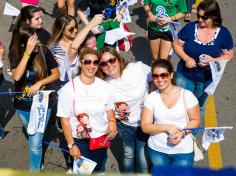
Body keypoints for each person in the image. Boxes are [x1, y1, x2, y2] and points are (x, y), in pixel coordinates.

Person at [57, 48, 117, 173]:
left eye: (95, 62)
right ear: (80, 63)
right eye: (87, 62)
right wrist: (71, 145)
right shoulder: (68, 90)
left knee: (100, 169)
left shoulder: (105, 86)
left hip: (101, 138)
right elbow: (65, 120)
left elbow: (109, 108)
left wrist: (112, 122)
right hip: (80, 141)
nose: (92, 66)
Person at [8, 26, 60, 171]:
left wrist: (40, 83)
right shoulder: (15, 54)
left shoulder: (43, 50)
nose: (36, 44)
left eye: (36, 39)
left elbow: (56, 74)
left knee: (35, 142)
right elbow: (17, 76)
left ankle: (34, 170)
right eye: (32, 41)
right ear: (23, 44)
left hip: (42, 103)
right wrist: (28, 52)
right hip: (21, 105)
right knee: (32, 133)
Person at [173, 0, 234, 118]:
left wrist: (212, 60)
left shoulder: (223, 33)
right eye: (198, 16)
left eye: (204, 17)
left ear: (214, 16)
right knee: (182, 106)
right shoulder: (190, 28)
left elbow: (229, 55)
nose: (200, 19)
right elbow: (176, 44)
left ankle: (193, 134)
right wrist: (186, 58)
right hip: (185, 77)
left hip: (207, 79)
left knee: (199, 107)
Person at [99, 46, 151, 173]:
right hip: (125, 125)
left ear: (119, 59)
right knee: (129, 154)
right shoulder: (104, 85)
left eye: (112, 60)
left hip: (145, 123)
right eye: (103, 64)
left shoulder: (137, 68)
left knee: (142, 158)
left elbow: (156, 79)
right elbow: (105, 108)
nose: (109, 65)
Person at [141, 59, 201, 168]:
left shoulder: (187, 95)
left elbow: (195, 120)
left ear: (171, 75)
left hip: (183, 151)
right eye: (155, 76)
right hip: (157, 150)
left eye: (164, 75)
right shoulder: (151, 98)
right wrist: (166, 127)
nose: (159, 79)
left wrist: (182, 133)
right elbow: (145, 127)